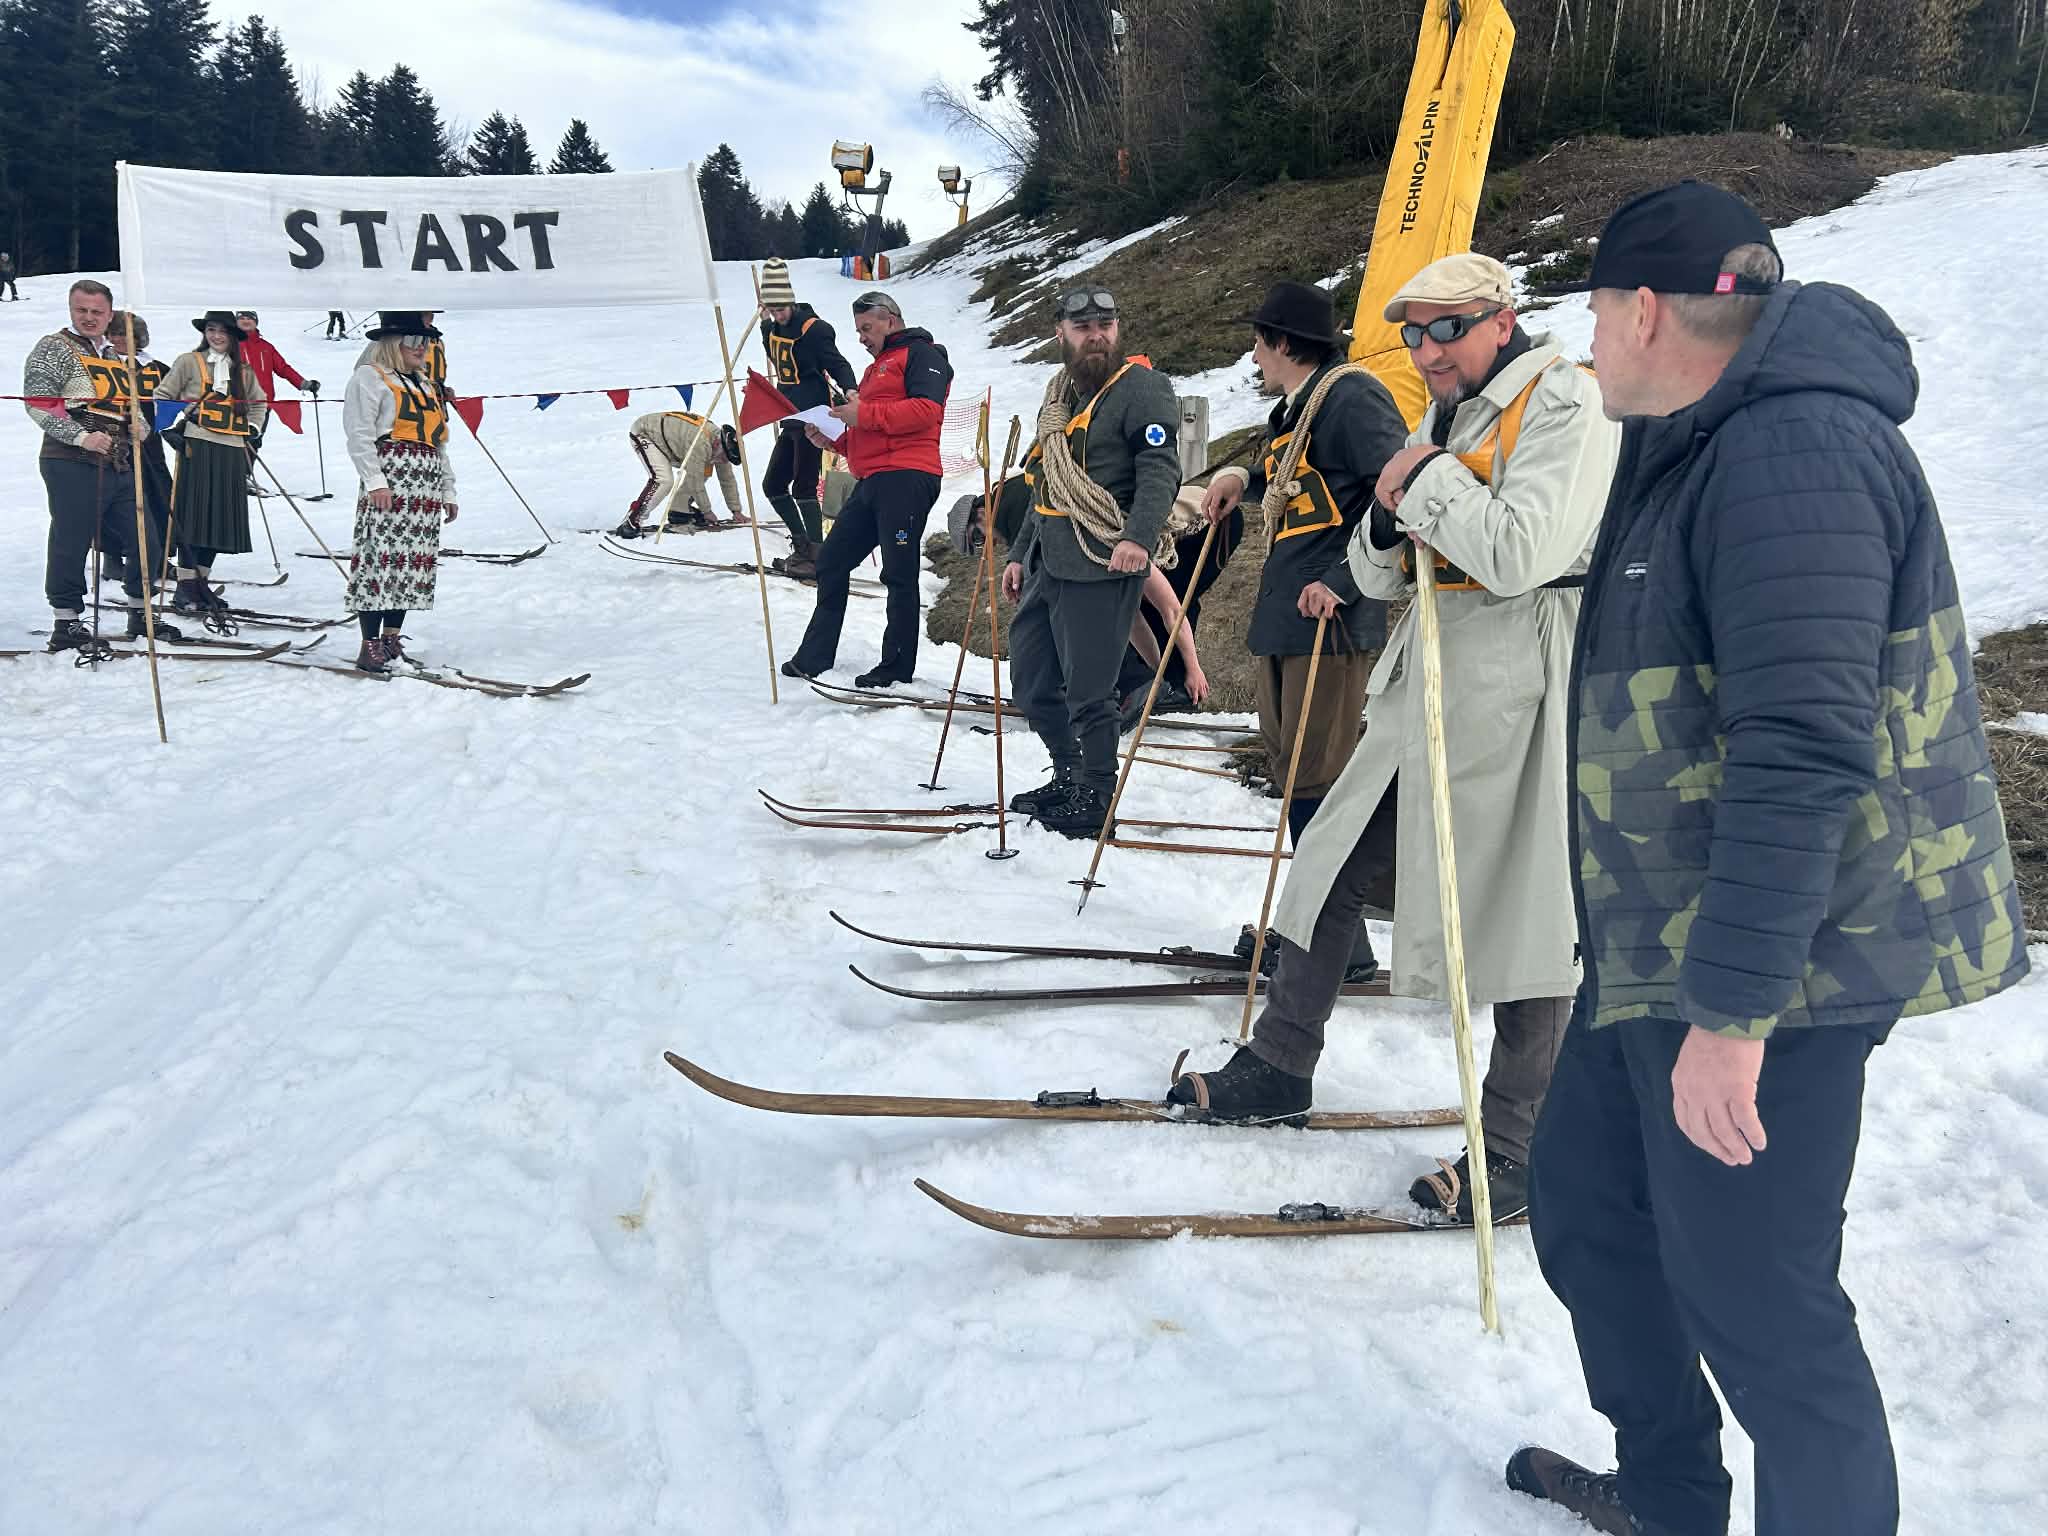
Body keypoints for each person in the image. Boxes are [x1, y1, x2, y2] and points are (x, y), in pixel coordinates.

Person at [1505, 181, 2028, 1536]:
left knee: (1763, 1310)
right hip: (1669, 948)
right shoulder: (1693, 438)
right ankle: (1674, 1499)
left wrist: (1732, 1017)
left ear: (1638, 311)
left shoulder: (1791, 452)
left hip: (1776, 973)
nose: (1584, 353)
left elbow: (1801, 748)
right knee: (1590, 1217)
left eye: (1590, 322)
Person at [1168, 252, 1621, 1228]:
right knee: (1324, 866)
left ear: (1499, 318)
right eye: (1411, 334)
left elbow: (1517, 554)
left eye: (1442, 329)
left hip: (1525, 681)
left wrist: (1423, 483)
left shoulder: (1562, 402)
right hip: (1426, 678)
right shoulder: (1441, 416)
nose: (1423, 351)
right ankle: (1279, 1066)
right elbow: (1378, 576)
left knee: (1527, 921)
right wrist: (1388, 508)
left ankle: (1512, 1150)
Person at [1201, 280, 1408, 969]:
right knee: (1298, 786)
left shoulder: (1351, 398)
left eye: (1259, 340)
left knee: (1319, 792)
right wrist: (1241, 478)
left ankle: (1337, 947)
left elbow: (1399, 494)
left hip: (1330, 623)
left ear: (1285, 343)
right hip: (1288, 622)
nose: (1253, 355)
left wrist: (1346, 583)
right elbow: (1295, 477)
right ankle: (1328, 936)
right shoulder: (1300, 408)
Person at [1000, 287, 1187, 837]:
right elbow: (1047, 481)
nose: (1096, 334)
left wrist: (1138, 538)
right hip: (1051, 561)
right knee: (1032, 682)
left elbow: (1160, 469)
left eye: (1105, 323)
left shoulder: (1142, 389)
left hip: (1104, 561)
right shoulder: (1059, 396)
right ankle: (1070, 772)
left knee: (1089, 691)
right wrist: (1017, 554)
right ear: (1061, 333)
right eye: (1083, 326)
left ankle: (1097, 798)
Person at [781, 291, 951, 688]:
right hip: (873, 479)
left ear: (891, 320)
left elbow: (928, 410)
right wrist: (833, 442)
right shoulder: (876, 370)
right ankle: (816, 656)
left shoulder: (924, 355)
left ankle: (895, 667)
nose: (861, 337)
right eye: (858, 330)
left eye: (867, 328)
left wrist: (864, 414)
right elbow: (871, 429)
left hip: (908, 476)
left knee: (899, 573)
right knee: (831, 562)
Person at [22, 279, 178, 648]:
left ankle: (140, 612)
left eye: (97, 311)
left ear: (110, 314)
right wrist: (81, 437)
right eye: (82, 310)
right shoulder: (53, 348)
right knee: (71, 539)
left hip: (119, 460)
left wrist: (139, 424)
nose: (89, 317)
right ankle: (67, 621)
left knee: (146, 538)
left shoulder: (112, 355)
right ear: (71, 309)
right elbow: (37, 403)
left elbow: (128, 401)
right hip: (71, 459)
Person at [342, 312, 457, 673]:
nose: (421, 349)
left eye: (425, 342)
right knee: (381, 561)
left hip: (424, 483)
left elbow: (437, 441)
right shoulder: (370, 378)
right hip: (391, 478)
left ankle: (392, 638)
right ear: (394, 345)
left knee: (412, 566)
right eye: (414, 342)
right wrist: (375, 481)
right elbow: (359, 434)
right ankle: (370, 643)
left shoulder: (424, 385)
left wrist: (448, 490)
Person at [154, 310, 269, 620]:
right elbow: (163, 395)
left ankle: (201, 582)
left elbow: (260, 403)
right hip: (199, 446)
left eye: (223, 331)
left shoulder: (243, 371)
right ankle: (185, 585)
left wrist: (253, 430)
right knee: (195, 517)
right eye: (211, 329)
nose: (217, 336)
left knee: (218, 520)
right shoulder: (189, 361)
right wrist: (169, 426)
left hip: (231, 451)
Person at [757, 258, 857, 579]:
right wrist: (764, 326)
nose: (777, 315)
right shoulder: (774, 327)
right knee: (772, 484)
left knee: (803, 486)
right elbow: (776, 357)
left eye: (780, 309)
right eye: (772, 310)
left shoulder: (814, 330)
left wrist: (851, 389)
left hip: (814, 416)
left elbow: (836, 362)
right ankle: (803, 548)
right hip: (788, 414)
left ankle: (818, 555)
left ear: (791, 300)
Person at [615, 413, 744, 536]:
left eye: (726, 459)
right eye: (722, 458)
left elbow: (727, 479)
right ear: (717, 444)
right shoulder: (700, 443)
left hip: (672, 441)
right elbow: (695, 481)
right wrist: (707, 511)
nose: (723, 462)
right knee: (664, 479)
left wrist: (736, 510)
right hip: (645, 432)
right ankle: (631, 521)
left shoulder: (723, 446)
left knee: (703, 471)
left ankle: (679, 509)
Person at [235, 310, 318, 432]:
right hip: (238, 404)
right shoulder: (230, 345)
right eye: (242, 318)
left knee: (255, 443)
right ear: (236, 322)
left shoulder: (267, 347)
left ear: (256, 322)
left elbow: (283, 368)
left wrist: (304, 384)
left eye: (250, 318)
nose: (246, 321)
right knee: (235, 444)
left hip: (263, 404)